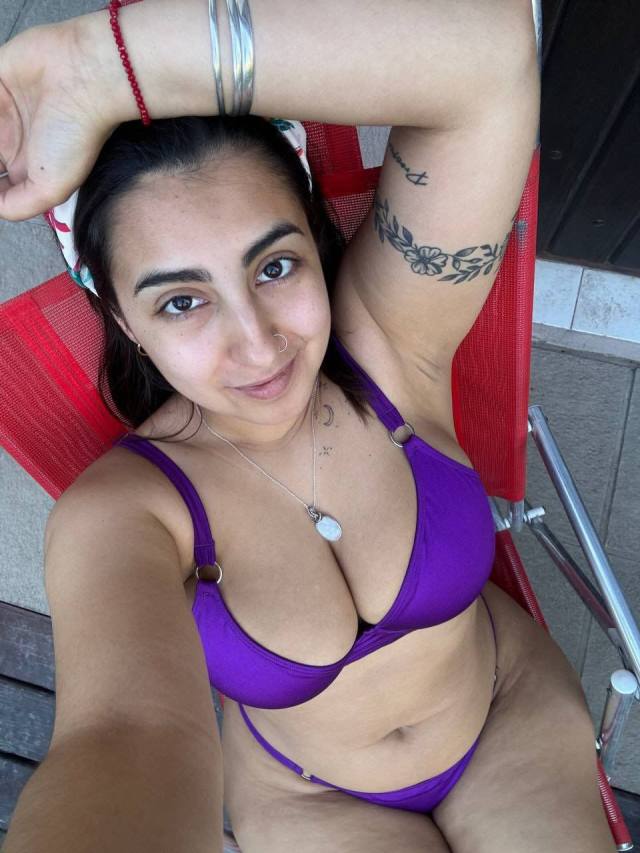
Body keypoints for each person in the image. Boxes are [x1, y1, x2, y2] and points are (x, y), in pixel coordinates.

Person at [0, 1, 616, 851]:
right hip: (311, 799)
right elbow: (123, 736)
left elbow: (490, 55)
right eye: (181, 301)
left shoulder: (393, 343)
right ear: (122, 320)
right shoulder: (128, 512)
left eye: (275, 265)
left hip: (508, 712)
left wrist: (102, 67)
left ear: (317, 247)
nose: (259, 344)